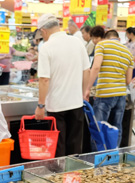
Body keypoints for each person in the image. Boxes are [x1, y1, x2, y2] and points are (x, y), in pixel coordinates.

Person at [35, 14, 90, 157]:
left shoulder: (46, 48)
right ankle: (74, 177)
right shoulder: (77, 42)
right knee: (75, 146)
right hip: (76, 104)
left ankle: (59, 177)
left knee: (58, 147)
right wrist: (82, 94)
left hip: (56, 106)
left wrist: (41, 105)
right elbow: (86, 71)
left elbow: (44, 80)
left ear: (44, 31)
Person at [85, 25, 133, 137]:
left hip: (105, 94)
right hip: (121, 94)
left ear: (106, 37)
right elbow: (128, 80)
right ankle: (113, 153)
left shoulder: (102, 45)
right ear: (118, 38)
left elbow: (96, 67)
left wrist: (88, 88)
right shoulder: (128, 52)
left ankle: (99, 154)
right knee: (116, 127)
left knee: (99, 127)